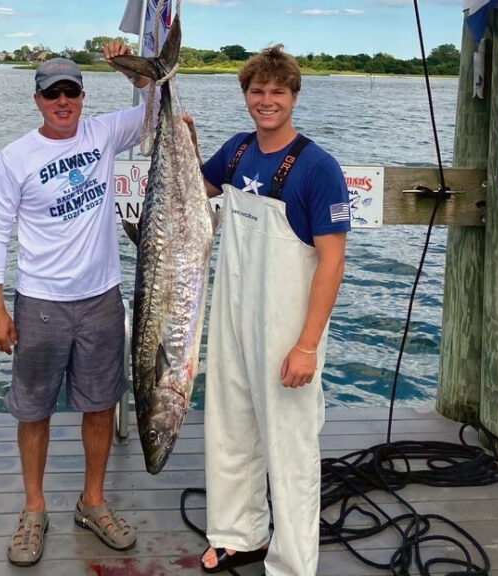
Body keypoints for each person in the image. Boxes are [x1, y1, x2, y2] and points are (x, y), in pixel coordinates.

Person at [0, 45, 150, 567]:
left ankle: (91, 501)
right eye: (51, 92)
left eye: (70, 91)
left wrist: (134, 70)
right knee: (33, 411)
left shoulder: (103, 133)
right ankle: (34, 508)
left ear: (81, 96)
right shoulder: (15, 157)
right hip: (40, 301)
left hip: (101, 298)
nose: (62, 100)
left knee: (100, 405)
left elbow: (153, 113)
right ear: (37, 99)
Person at [190, 45, 350, 575]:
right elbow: (191, 189)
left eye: (277, 91)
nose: (266, 100)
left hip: (286, 329)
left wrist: (307, 345)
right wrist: (167, 124)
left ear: (294, 96)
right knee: (229, 428)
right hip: (233, 317)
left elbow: (331, 264)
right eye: (256, 91)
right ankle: (240, 533)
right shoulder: (235, 152)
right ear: (245, 96)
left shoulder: (317, 167)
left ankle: (292, 562)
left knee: (289, 448)